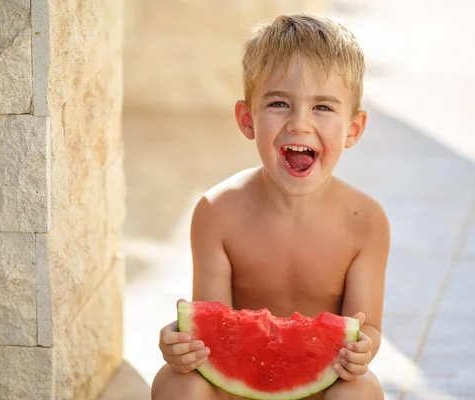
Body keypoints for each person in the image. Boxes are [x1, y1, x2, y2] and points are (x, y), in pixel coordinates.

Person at [151, 13, 389, 400]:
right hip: (235, 391)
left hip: (320, 388)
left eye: (323, 108)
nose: (299, 124)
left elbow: (369, 327)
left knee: (361, 389)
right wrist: (183, 347)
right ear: (247, 120)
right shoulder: (217, 211)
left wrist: (364, 349)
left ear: (353, 129)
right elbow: (212, 326)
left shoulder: (365, 221)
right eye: (279, 103)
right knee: (177, 383)